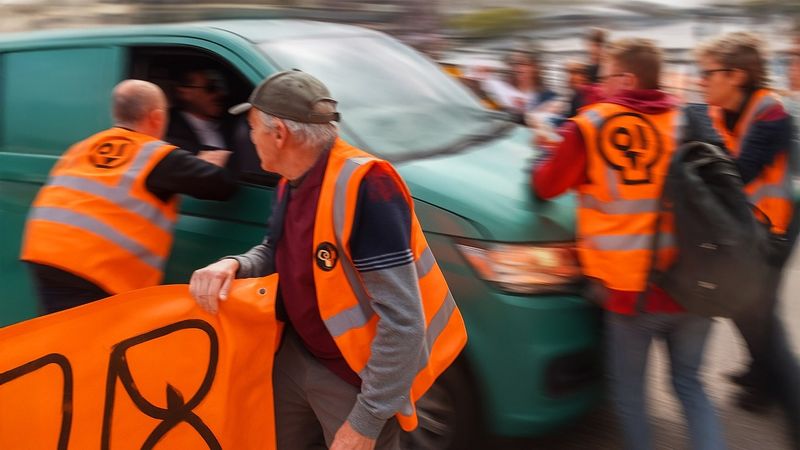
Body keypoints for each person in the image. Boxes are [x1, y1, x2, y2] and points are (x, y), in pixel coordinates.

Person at [188, 70, 467, 450]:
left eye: (253, 128)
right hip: (297, 355)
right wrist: (236, 264)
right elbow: (275, 249)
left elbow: (404, 323)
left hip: (354, 378)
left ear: (280, 134)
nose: (250, 138)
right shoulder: (292, 178)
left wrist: (366, 422)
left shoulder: (367, 186)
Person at [532, 38, 727, 450]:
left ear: (627, 78)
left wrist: (542, 155)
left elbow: (546, 184)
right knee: (690, 384)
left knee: (630, 395)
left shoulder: (591, 124)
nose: (599, 87)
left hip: (631, 294)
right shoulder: (686, 118)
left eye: (604, 78)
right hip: (696, 284)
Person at [20, 79, 237, 314]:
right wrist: (210, 163)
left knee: (65, 336)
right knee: (93, 342)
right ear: (156, 117)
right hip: (94, 268)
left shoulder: (83, 146)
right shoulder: (157, 155)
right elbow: (220, 186)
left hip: (45, 254)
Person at [695, 31, 800, 448]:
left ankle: (790, 406)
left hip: (776, 229)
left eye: (707, 74)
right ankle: (760, 380)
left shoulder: (771, 113)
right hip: (749, 227)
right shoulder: (722, 111)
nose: (701, 81)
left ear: (735, 75)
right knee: (746, 309)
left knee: (764, 321)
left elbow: (736, 176)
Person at [167, 67, 234, 156]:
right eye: (211, 88)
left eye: (221, 87)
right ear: (184, 92)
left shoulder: (233, 125)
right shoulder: (168, 131)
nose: (220, 93)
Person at [482, 51, 557, 124]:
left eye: (523, 64)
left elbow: (550, 121)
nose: (517, 68)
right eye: (514, 64)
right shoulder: (503, 92)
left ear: (534, 67)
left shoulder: (548, 96)